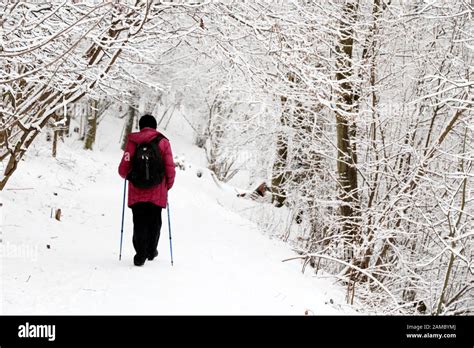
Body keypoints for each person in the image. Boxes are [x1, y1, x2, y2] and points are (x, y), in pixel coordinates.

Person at [118, 114, 176, 266]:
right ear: (155, 126)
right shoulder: (163, 142)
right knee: (155, 221)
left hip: (137, 191)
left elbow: (123, 169)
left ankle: (140, 254)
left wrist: (129, 175)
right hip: (157, 191)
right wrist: (167, 186)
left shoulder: (133, 142)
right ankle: (151, 250)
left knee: (139, 222)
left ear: (140, 126)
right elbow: (170, 168)